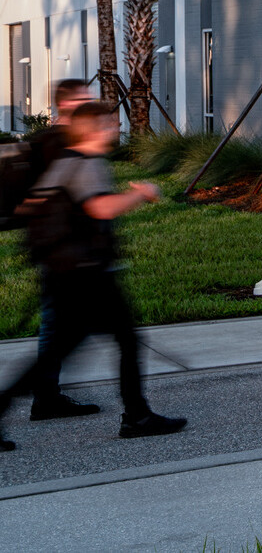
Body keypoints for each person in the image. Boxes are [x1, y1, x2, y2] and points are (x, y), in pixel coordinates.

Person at [0, 101, 186, 450]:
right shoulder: (86, 164)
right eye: (112, 123)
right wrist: (140, 194)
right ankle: (137, 417)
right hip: (86, 273)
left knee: (67, 348)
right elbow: (99, 207)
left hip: (66, 270)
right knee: (122, 341)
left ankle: (137, 413)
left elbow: (32, 206)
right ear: (95, 130)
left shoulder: (64, 161)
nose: (117, 128)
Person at [22, 78, 97, 422]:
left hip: (69, 249)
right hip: (63, 251)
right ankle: (42, 396)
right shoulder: (55, 143)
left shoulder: (62, 141)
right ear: (65, 105)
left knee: (62, 325)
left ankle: (46, 395)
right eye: (83, 98)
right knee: (58, 326)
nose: (89, 103)